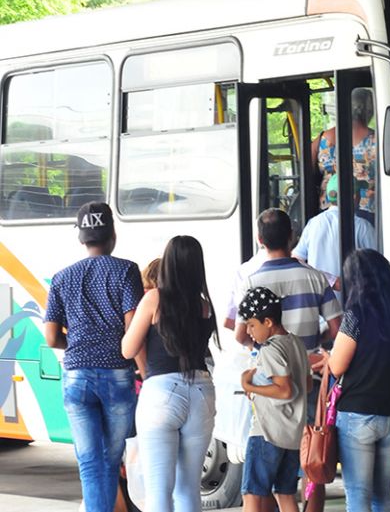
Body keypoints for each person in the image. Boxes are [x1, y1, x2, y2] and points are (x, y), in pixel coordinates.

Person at [234, 207, 343, 512]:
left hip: (270, 386)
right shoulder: (314, 277)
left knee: (261, 476)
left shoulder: (251, 281)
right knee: (310, 460)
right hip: (309, 379)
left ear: (259, 240)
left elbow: (241, 336)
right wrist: (315, 342)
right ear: (292, 238)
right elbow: (336, 329)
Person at [43, 201, 144, 512]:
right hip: (116, 374)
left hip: (76, 376)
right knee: (110, 461)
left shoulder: (62, 278)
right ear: (112, 233)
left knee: (88, 462)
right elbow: (132, 330)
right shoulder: (126, 270)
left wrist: (75, 343)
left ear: (81, 238)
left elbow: (50, 337)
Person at [121, 235, 219, 512]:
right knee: (188, 489)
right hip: (201, 392)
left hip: (161, 394)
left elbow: (128, 349)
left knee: (159, 491)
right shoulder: (203, 305)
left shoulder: (153, 299)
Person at [326, 249, 390, 512]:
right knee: (383, 495)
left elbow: (337, 366)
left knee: (358, 494)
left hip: (358, 415)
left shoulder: (356, 316)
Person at [239, 287, 310, 512]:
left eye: (251, 324)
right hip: (293, 435)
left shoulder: (270, 349)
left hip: (267, 432)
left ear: (268, 322)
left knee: (252, 494)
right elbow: (306, 385)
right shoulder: (296, 343)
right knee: (285, 493)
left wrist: (249, 386)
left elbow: (285, 390)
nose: (248, 331)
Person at [293, 173, 376, 294]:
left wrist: (330, 280)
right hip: (353, 303)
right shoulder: (362, 226)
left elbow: (296, 260)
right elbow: (377, 265)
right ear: (354, 196)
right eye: (358, 192)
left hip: (321, 305)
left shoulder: (313, 224)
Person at [311, 87, 376, 214]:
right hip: (367, 212)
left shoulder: (321, 140)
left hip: (329, 211)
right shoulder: (376, 140)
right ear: (369, 110)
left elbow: (308, 175)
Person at [224, 245, 268, 331]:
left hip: (253, 343)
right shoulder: (301, 270)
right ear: (291, 237)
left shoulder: (244, 271)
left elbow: (229, 322)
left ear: (259, 238)